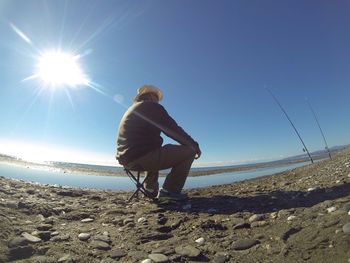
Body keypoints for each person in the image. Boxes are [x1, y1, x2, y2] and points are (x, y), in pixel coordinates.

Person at [116, 85, 201, 201]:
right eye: (157, 98)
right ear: (151, 97)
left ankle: (150, 190)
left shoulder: (133, 108)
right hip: (141, 158)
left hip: (126, 160)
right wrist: (194, 144)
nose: (158, 101)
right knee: (189, 151)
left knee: (154, 148)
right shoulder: (151, 106)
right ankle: (169, 192)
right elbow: (172, 129)